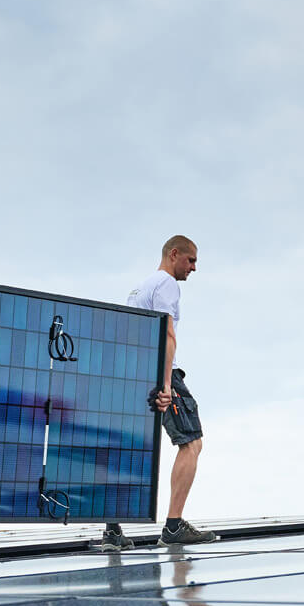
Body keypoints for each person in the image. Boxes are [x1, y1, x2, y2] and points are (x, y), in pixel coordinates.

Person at [98, 234, 218, 550]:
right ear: (174, 254)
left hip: (131, 374)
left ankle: (112, 531)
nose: (193, 268)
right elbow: (167, 334)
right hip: (157, 371)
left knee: (131, 447)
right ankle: (174, 527)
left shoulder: (140, 288)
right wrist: (166, 384)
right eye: (190, 260)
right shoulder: (166, 284)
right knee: (192, 443)